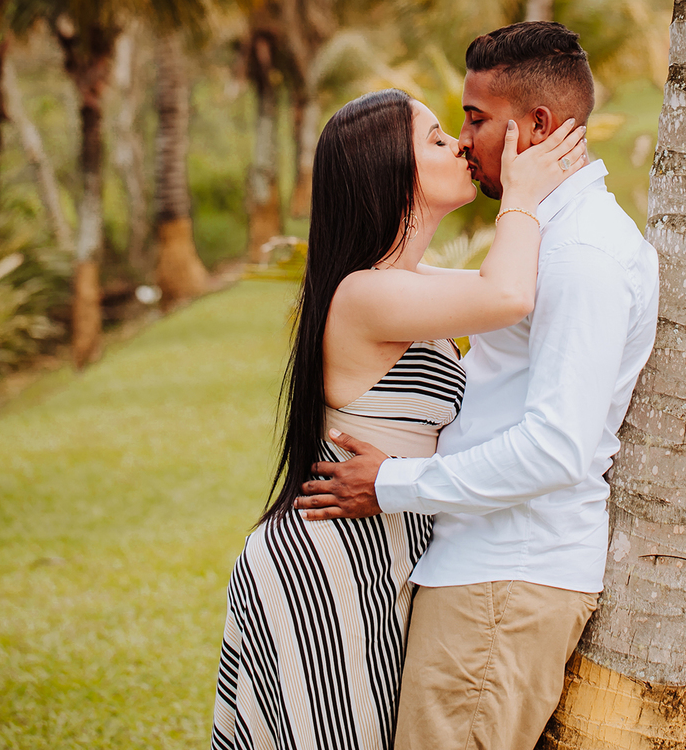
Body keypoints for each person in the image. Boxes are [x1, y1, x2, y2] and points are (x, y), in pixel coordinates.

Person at [295, 22, 660, 750]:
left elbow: (557, 448)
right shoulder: (539, 245)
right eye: (450, 128)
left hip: (503, 578)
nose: (464, 141)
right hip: (476, 571)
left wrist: (394, 484)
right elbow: (461, 295)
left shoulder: (579, 252)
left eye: (473, 119)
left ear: (538, 127)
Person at [210, 88, 588, 750]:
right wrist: (524, 196)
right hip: (327, 559)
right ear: (390, 170)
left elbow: (524, 295)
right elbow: (507, 294)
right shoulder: (364, 293)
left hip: (381, 553)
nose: (462, 146)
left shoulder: (407, 283)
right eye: (437, 140)